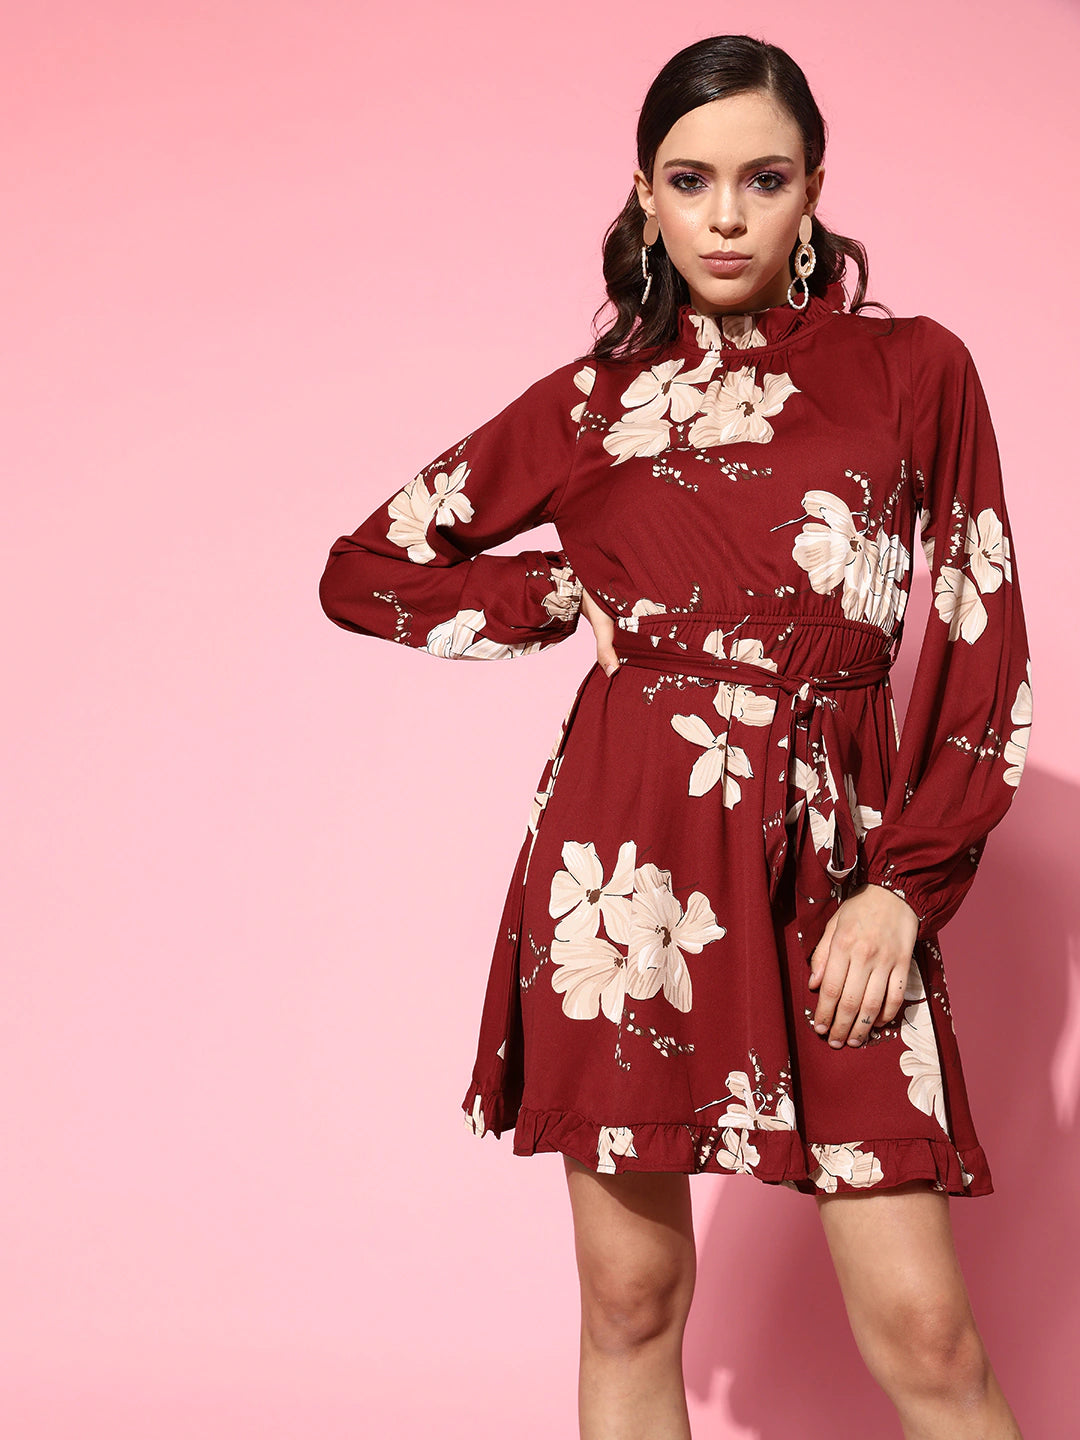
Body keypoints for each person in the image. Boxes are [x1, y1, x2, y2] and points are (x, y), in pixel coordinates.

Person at [318, 33, 1030, 1440]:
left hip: (836, 870)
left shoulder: (914, 370)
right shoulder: (592, 402)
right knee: (633, 1302)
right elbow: (365, 570)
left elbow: (976, 630)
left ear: (812, 190)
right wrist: (555, 594)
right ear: (645, 197)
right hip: (627, 868)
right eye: (690, 181)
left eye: (763, 179)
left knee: (929, 1337)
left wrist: (904, 887)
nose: (725, 216)